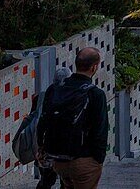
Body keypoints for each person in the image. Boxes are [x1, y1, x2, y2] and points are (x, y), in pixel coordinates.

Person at [37, 47, 109, 189]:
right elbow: (101, 130)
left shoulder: (55, 89)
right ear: (94, 67)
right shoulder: (95, 94)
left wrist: (41, 147)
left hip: (58, 159)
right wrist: (98, 160)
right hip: (84, 160)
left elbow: (43, 120)